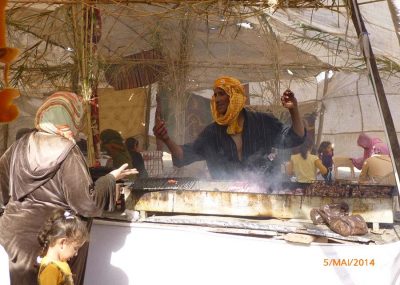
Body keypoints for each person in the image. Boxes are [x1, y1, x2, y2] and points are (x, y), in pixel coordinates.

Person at [0, 91, 137, 285]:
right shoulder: (67, 151)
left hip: (19, 239)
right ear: (69, 117)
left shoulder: (19, 145)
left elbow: (2, 187)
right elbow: (86, 203)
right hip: (56, 240)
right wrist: (110, 178)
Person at [153, 76, 306, 179]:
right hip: (226, 198)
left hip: (263, 194)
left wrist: (294, 110)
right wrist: (166, 139)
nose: (217, 99)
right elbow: (183, 156)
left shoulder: (262, 122)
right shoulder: (212, 133)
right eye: (215, 94)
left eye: (222, 94)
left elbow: (295, 137)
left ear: (235, 96)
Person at [37, 209, 89, 285]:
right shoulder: (51, 269)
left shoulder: (60, 263)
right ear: (62, 243)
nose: (76, 254)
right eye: (75, 248)